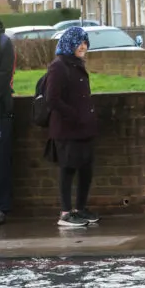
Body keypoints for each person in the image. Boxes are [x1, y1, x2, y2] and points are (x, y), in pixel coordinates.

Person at [44, 27, 99, 228]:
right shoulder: (58, 66)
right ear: (69, 44)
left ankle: (80, 209)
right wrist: (74, 115)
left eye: (85, 42)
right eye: (79, 42)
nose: (83, 46)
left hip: (84, 128)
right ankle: (66, 213)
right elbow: (52, 99)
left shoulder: (77, 64)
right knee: (68, 170)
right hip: (67, 130)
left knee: (86, 170)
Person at [0, 20, 14, 225]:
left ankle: (1, 206)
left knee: (1, 161)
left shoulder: (3, 43)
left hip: (1, 112)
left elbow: (3, 77)